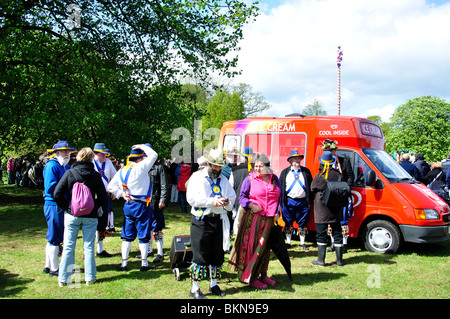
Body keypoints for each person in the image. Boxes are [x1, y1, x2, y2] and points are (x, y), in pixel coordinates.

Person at [53, 147, 107, 287]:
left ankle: (63, 279)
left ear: (77, 158)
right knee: (89, 246)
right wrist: (94, 207)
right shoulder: (95, 175)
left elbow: (57, 194)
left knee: (69, 246)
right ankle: (90, 277)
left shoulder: (70, 173)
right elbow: (103, 196)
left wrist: (68, 207)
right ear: (91, 159)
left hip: (73, 214)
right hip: (90, 215)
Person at [186, 149, 236, 299]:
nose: (217, 169)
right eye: (215, 166)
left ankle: (213, 284)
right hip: (202, 220)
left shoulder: (224, 179)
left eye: (220, 166)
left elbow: (232, 197)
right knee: (200, 254)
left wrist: (227, 202)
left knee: (217, 254)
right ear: (208, 164)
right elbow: (191, 198)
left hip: (218, 220)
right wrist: (211, 202)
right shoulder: (197, 177)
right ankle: (195, 288)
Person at [228, 153, 282, 289]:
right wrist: (251, 205)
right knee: (253, 247)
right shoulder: (250, 179)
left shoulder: (274, 179)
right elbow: (242, 197)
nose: (257, 169)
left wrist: (278, 212)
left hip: (270, 220)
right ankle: (251, 277)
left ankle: (263, 275)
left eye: (260, 166)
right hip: (254, 219)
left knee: (265, 248)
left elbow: (280, 197)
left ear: (267, 166)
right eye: (255, 166)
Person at [108, 144, 158, 271]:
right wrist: (142, 146)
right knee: (143, 234)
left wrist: (121, 194)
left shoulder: (121, 170)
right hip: (141, 204)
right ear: (140, 159)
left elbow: (110, 187)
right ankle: (144, 263)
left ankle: (124, 263)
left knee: (127, 235)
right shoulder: (140, 168)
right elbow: (154, 155)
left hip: (129, 204)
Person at [310, 151, 346, 266]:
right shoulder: (338, 175)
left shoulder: (319, 176)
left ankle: (321, 260)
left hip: (322, 210)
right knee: (337, 233)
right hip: (335, 208)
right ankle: (339, 261)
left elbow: (312, 188)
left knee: (321, 234)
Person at [42, 141, 72, 277]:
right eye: (65, 151)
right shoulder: (52, 166)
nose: (68, 154)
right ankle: (54, 269)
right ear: (58, 152)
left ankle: (48, 265)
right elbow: (51, 188)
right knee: (55, 237)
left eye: (68, 151)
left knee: (55, 235)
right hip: (54, 204)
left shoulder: (65, 166)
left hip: (60, 204)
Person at [321, 138, 354, 252]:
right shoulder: (323, 164)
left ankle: (343, 244)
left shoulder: (344, 161)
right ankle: (333, 243)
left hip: (342, 194)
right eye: (327, 150)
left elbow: (350, 176)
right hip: (330, 195)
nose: (330, 152)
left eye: (332, 150)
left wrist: (345, 188)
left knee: (343, 218)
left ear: (335, 151)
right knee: (331, 219)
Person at [279, 150, 313, 250]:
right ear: (290, 160)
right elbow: (281, 187)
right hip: (289, 201)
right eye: (295, 158)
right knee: (288, 222)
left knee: (303, 223)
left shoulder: (306, 172)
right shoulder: (285, 172)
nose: (297, 160)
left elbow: (310, 186)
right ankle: (288, 242)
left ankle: (302, 242)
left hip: (302, 201)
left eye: (298, 158)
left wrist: (310, 201)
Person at [92, 143, 117, 257]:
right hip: (93, 197)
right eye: (102, 154)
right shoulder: (91, 163)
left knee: (102, 223)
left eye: (105, 154)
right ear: (95, 154)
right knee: (92, 223)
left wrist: (115, 191)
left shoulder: (108, 163)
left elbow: (115, 177)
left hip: (105, 196)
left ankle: (100, 249)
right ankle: (90, 249)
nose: (104, 156)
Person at [147, 146, 169, 263]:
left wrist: (163, 199)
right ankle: (149, 250)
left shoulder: (159, 167)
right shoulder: (143, 167)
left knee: (157, 227)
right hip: (145, 203)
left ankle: (160, 252)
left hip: (156, 202)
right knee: (147, 227)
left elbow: (164, 184)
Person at [229, 146, 254, 235]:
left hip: (237, 200)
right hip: (251, 201)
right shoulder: (255, 170)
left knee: (237, 222)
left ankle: (237, 238)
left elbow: (230, 187)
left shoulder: (234, 170)